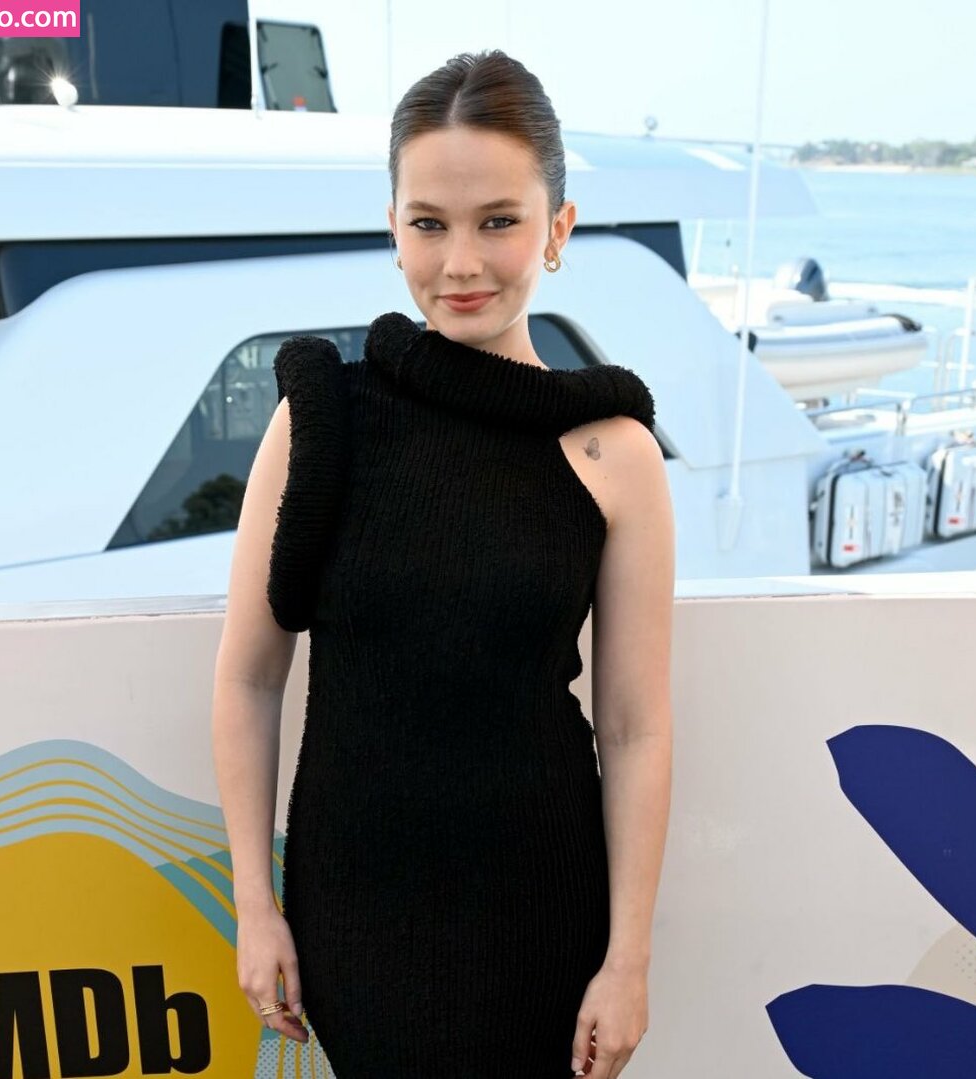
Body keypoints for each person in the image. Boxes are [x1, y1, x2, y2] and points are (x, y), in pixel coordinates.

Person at [212, 48, 674, 1079]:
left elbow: (636, 727)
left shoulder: (614, 451)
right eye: (429, 223)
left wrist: (628, 958)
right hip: (355, 910)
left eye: (498, 221)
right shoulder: (321, 418)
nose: (461, 262)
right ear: (393, 227)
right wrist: (255, 903)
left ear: (558, 228)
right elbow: (249, 677)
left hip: (543, 912)